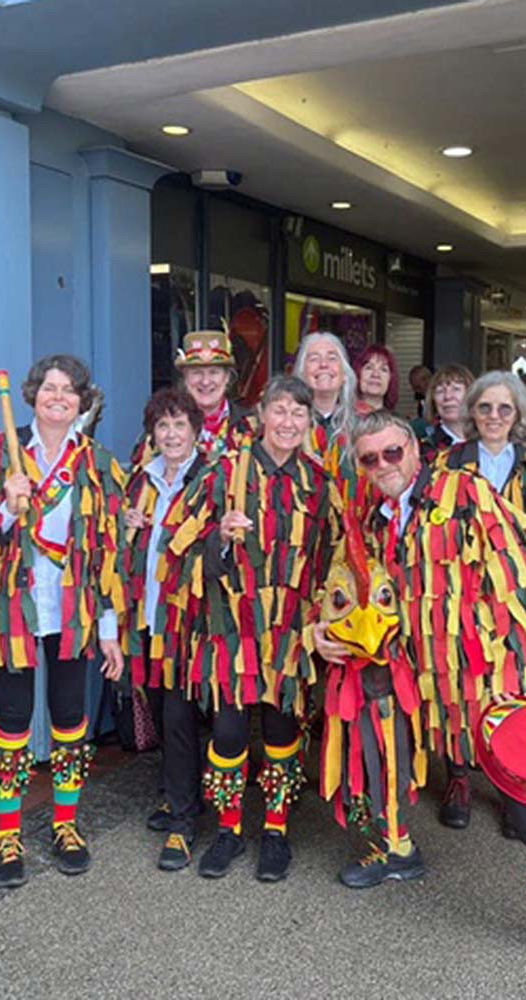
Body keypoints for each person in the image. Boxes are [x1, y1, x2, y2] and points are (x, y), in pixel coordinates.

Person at [315, 411, 526, 999]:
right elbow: (359, 594)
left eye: (392, 453)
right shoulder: (373, 523)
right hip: (415, 681)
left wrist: (515, 686)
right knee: (376, 738)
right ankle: (396, 846)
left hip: (481, 680)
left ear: (415, 450)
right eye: (370, 459)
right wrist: (324, 632)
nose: (383, 468)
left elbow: (520, 582)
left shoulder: (467, 491)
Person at [0, 354, 126, 888]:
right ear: (32, 395)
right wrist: (8, 510)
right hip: (13, 609)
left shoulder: (97, 463)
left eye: (69, 390)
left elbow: (106, 553)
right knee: (12, 722)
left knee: (69, 718)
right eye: (50, 388)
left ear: (82, 402)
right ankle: (7, 832)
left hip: (72, 613)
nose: (59, 397)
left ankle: (65, 823)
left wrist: (108, 631)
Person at [174, 375, 340, 882]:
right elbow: (181, 544)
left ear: (310, 423)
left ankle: (275, 830)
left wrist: (323, 623)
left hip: (291, 631)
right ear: (262, 415)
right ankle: (227, 830)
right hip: (232, 630)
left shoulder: (319, 483)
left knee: (282, 730)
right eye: (280, 411)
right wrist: (219, 540)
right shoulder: (223, 473)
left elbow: (331, 560)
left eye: (298, 413)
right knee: (226, 731)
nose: (288, 422)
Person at [435, 371, 526, 829]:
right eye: (485, 407)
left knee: (509, 690)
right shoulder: (448, 463)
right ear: (472, 412)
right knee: (459, 687)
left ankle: (508, 784)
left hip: (514, 603)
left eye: (504, 408)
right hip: (459, 598)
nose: (494, 417)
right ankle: (458, 776)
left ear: (518, 415)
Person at [121, 388, 213, 871]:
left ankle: (183, 821)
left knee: (179, 719)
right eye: (163, 426)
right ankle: (182, 793)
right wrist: (126, 522)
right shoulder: (143, 480)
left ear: (196, 431)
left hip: (189, 623)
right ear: (152, 434)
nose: (172, 434)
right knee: (158, 712)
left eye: (180, 425)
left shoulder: (212, 479)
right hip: (148, 619)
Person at [131, 329, 252, 469]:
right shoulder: (161, 424)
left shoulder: (250, 426)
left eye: (214, 372)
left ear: (227, 378)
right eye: (197, 372)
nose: (205, 381)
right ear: (185, 378)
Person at [293, 331, 360, 499]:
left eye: (332, 358)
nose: (323, 365)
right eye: (314, 358)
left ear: (344, 374)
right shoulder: (288, 426)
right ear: (302, 374)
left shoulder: (362, 425)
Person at [418, 363, 473, 461]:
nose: (448, 396)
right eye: (440, 391)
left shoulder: (487, 440)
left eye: (456, 389)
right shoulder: (424, 448)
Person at [354, 343, 399, 415]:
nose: (376, 374)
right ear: (358, 375)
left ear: (391, 380)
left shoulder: (395, 424)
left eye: (383, 369)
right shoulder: (342, 420)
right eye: (369, 368)